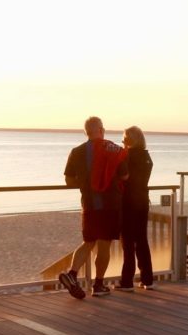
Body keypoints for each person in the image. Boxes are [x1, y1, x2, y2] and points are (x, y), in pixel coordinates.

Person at [58, 116, 129, 299]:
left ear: (86, 132)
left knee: (89, 241)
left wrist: (86, 183)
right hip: (110, 205)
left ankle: (72, 274)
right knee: (104, 245)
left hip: (89, 204)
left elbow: (68, 180)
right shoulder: (114, 150)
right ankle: (98, 284)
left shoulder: (76, 152)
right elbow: (125, 176)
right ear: (101, 130)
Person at [118, 125, 154, 291]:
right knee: (141, 240)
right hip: (142, 201)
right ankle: (147, 279)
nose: (123, 141)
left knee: (128, 242)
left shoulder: (128, 156)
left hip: (128, 202)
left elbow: (122, 176)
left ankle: (127, 281)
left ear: (130, 140)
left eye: (125, 138)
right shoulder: (146, 157)